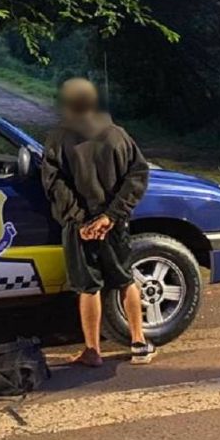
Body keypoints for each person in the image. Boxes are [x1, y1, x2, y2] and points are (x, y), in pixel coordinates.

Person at [40, 77, 156, 366]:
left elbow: (54, 184)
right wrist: (110, 216)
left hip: (78, 229)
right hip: (114, 226)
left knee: (88, 288)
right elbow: (137, 176)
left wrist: (81, 221)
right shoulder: (118, 135)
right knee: (125, 280)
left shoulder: (59, 138)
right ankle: (139, 342)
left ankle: (92, 351)